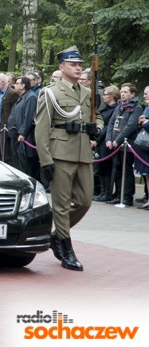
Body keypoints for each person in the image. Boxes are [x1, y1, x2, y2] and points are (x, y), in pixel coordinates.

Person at [35, 46, 103, 271]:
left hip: (83, 152)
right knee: (62, 204)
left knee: (84, 201)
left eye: (80, 65)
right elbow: (42, 128)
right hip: (60, 153)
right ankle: (66, 248)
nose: (78, 68)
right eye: (73, 64)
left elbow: (98, 115)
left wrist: (98, 128)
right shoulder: (50, 92)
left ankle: (55, 235)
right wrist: (45, 160)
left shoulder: (86, 92)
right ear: (61, 67)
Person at [104, 83, 142, 206]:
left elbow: (130, 126)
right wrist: (108, 139)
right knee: (118, 169)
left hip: (127, 144)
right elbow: (111, 122)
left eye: (126, 92)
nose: (123, 94)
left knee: (126, 170)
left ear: (132, 93)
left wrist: (118, 140)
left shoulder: (136, 107)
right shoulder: (119, 105)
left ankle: (127, 196)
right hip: (115, 144)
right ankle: (118, 194)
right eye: (122, 91)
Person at [6, 76, 38, 179]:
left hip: (24, 137)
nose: (14, 85)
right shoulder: (22, 97)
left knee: (24, 164)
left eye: (17, 83)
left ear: (23, 85)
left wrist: (22, 133)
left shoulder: (31, 97)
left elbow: (28, 117)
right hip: (16, 135)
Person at [93, 85, 119, 202]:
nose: (103, 96)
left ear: (113, 96)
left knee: (106, 166)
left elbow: (107, 126)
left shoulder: (115, 109)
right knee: (100, 167)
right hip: (100, 140)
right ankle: (103, 191)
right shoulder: (104, 108)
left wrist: (97, 139)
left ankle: (107, 192)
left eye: (106, 94)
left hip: (105, 140)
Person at [0, 73, 18, 164]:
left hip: (4, 127)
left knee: (5, 154)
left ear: (2, 82)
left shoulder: (12, 93)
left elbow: (14, 111)